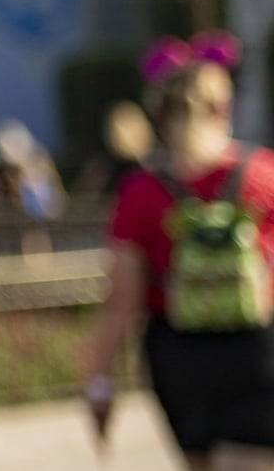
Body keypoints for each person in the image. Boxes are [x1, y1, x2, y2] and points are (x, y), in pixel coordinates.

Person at [82, 33, 274, 468]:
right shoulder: (264, 175)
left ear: (158, 112)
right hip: (257, 347)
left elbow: (122, 302)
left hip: (178, 353)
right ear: (224, 107)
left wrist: (101, 381)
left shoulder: (141, 194)